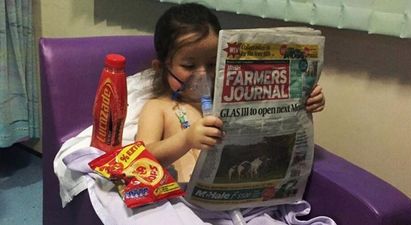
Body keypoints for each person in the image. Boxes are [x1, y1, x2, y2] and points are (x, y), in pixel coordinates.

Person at [135, 3, 325, 183]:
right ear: (160, 68)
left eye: (212, 64)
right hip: (184, 205)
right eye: (189, 65)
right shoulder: (159, 107)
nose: (203, 74)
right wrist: (185, 139)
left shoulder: (238, 100)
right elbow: (140, 157)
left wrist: (306, 100)